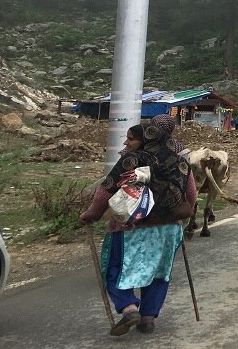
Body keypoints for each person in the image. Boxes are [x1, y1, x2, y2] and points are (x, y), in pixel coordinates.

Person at [80, 122, 196, 335]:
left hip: (132, 227)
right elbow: (191, 196)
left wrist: (92, 214)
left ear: (145, 140)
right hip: (169, 230)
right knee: (158, 271)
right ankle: (148, 317)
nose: (126, 142)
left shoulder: (131, 160)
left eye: (131, 139)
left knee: (116, 268)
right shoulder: (180, 162)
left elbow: (106, 190)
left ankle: (129, 308)